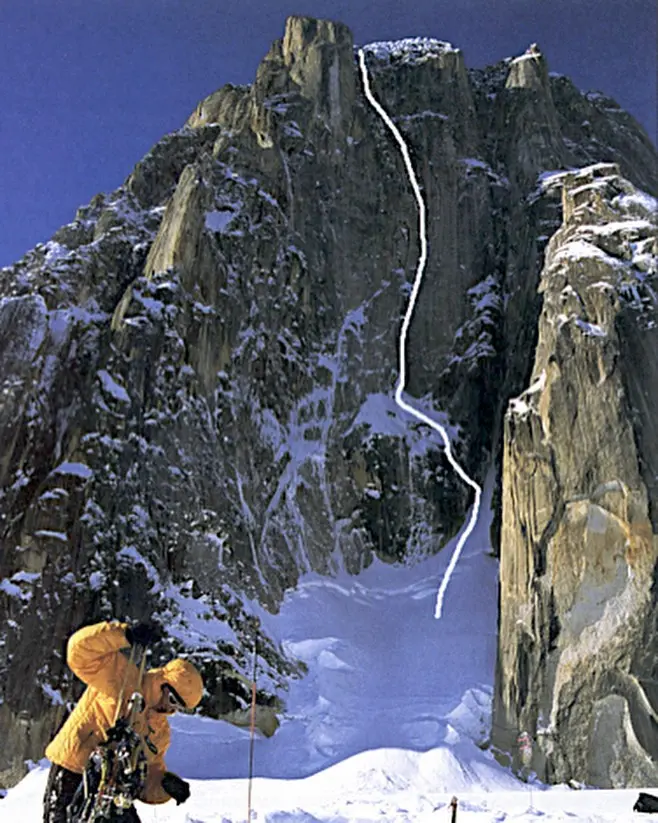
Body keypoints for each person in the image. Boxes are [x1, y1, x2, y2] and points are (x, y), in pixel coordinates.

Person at [42, 619, 204, 823]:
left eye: (179, 707)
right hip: (74, 772)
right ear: (163, 684)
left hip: (113, 793)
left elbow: (147, 778)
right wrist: (123, 635)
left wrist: (166, 786)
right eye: (172, 700)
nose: (172, 709)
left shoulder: (159, 731)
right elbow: (79, 652)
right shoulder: (124, 680)